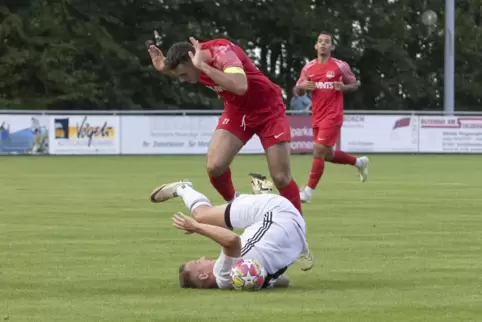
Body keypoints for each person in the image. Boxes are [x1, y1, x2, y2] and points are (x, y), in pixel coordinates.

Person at [147, 37, 302, 213]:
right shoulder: (192, 62)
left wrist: (204, 67)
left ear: (193, 60)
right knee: (215, 167)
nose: (183, 80)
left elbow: (240, 86)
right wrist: (162, 68)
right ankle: (235, 203)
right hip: (237, 112)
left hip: (269, 110)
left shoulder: (222, 54)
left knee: (281, 178)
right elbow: (179, 68)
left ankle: (297, 228)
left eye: (183, 75)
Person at [150, 180, 314, 289]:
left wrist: (262, 281)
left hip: (297, 235)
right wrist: (197, 227)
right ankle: (183, 187)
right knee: (202, 215)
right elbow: (232, 240)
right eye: (196, 262)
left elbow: (284, 281)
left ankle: (254, 196)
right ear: (203, 275)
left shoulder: (239, 278)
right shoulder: (222, 273)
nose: (201, 257)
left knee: (240, 224)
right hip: (276, 212)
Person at [293, 31, 369, 203]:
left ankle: (308, 192)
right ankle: (359, 163)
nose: (323, 44)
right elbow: (297, 91)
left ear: (332, 47)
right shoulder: (308, 68)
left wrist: (344, 88)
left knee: (318, 151)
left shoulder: (340, 66)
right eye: (320, 41)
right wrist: (302, 86)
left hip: (333, 115)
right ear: (315, 45)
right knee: (326, 155)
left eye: (327, 42)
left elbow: (355, 84)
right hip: (317, 116)